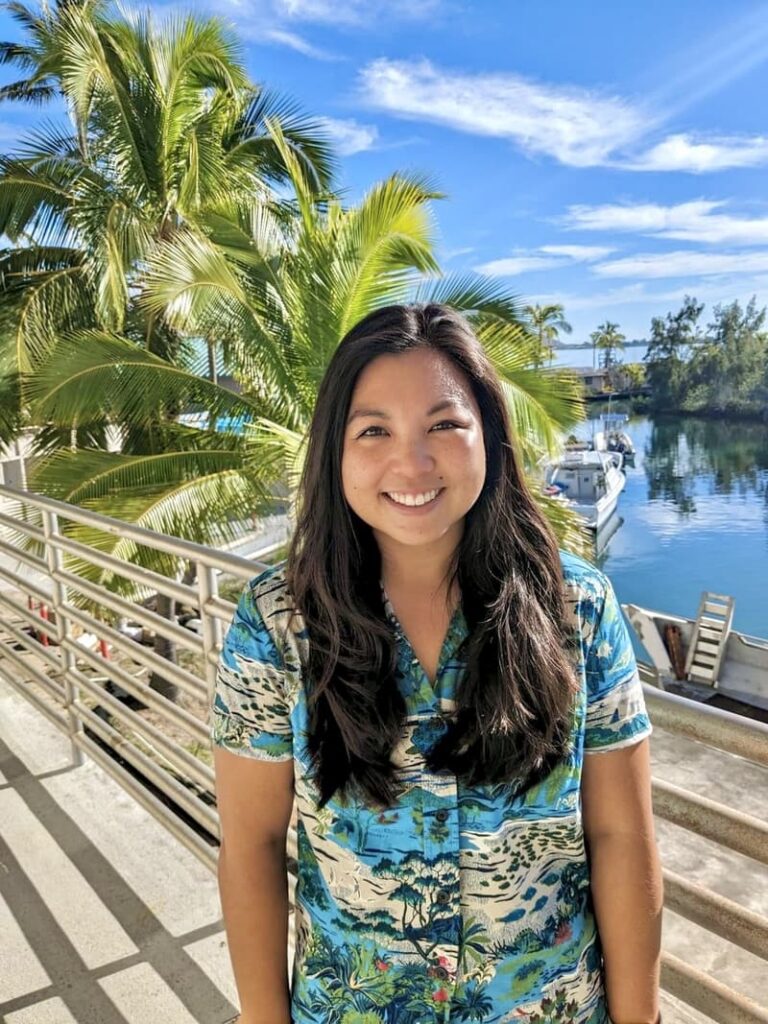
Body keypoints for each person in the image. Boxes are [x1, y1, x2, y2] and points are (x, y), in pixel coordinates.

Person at [211, 303, 663, 1024]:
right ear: (336, 450)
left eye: (445, 425)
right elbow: (253, 844)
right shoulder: (276, 624)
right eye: (374, 430)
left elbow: (620, 835)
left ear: (490, 434)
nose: (412, 464)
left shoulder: (579, 608)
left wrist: (640, 1017)